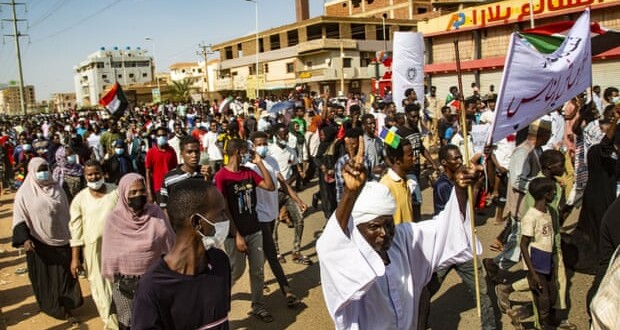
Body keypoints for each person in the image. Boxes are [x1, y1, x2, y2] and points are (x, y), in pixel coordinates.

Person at [316, 137, 481, 330]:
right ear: (357, 227)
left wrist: (461, 190)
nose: (384, 233)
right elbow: (329, 246)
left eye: (388, 225)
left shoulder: (402, 239)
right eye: (374, 227)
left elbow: (444, 228)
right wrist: (349, 194)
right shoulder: (350, 256)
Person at [429, 145, 497, 330]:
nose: (459, 161)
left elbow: (469, 209)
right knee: (426, 291)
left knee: (482, 292)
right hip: (445, 248)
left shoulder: (462, 179)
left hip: (465, 247)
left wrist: (475, 185)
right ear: (444, 163)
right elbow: (453, 217)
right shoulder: (443, 186)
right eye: (455, 159)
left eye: (460, 157)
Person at [12, 158, 83, 323]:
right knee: (47, 279)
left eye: (45, 168)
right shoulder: (24, 193)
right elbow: (19, 218)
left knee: (65, 275)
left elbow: (68, 212)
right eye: (39, 169)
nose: (43, 172)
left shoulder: (58, 188)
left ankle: (68, 304)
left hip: (63, 239)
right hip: (39, 243)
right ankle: (53, 307)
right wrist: (25, 240)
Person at [101, 173, 175, 329]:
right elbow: (109, 256)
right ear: (123, 194)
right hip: (125, 285)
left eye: (141, 191)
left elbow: (169, 243)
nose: (138, 195)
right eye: (133, 192)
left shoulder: (155, 213)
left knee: (155, 320)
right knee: (129, 321)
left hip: (154, 280)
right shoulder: (114, 220)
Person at [214, 138, 276, 323]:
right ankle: (218, 301)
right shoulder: (221, 177)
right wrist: (237, 235)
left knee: (257, 271)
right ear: (237, 153)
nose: (248, 155)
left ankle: (258, 306)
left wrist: (260, 164)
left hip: (254, 229)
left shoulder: (249, 172)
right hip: (235, 235)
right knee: (237, 271)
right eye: (245, 152)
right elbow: (223, 208)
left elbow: (270, 186)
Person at [247, 131, 303, 307]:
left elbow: (283, 183)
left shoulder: (271, 160)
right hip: (259, 215)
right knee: (271, 253)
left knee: (262, 250)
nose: (263, 147)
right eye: (259, 144)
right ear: (252, 146)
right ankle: (287, 291)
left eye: (265, 143)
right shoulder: (249, 166)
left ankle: (258, 279)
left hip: (271, 213)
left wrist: (298, 200)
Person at [69, 160, 119, 329]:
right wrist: (75, 259)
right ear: (85, 177)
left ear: (102, 173)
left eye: (96, 173)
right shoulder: (79, 199)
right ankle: (111, 325)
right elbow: (76, 231)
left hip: (118, 246)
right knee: (101, 288)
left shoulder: (116, 192)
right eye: (89, 174)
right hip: (94, 251)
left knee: (121, 285)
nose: (94, 177)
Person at [520, 177, 560, 330]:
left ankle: (548, 322)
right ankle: (543, 325)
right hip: (536, 263)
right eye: (552, 192)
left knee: (552, 295)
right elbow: (523, 245)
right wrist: (533, 273)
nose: (554, 195)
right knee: (542, 300)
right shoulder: (531, 217)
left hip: (547, 260)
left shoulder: (548, 211)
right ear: (546, 194)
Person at [159, 136, 210, 212]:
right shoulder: (169, 179)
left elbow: (211, 203)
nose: (194, 155)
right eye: (189, 152)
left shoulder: (205, 174)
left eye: (197, 151)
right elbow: (164, 207)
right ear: (181, 154)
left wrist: (207, 180)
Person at [380, 139, 415, 224]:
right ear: (398, 160)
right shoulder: (386, 186)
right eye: (410, 156)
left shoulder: (406, 181)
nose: (413, 159)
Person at [145, 127, 178, 204]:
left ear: (167, 136)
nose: (161, 137)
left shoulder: (171, 151)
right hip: (158, 188)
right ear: (156, 137)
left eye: (163, 135)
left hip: (171, 186)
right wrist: (149, 191)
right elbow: (148, 173)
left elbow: (175, 169)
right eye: (159, 136)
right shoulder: (151, 152)